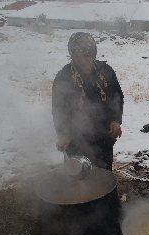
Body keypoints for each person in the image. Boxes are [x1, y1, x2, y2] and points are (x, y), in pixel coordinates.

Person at [52, 32, 124, 170]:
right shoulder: (63, 77)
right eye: (77, 55)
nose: (82, 59)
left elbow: (117, 97)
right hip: (75, 138)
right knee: (76, 177)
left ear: (94, 53)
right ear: (71, 54)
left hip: (103, 137)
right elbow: (58, 109)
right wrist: (63, 134)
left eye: (86, 54)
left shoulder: (106, 72)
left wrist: (115, 121)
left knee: (103, 175)